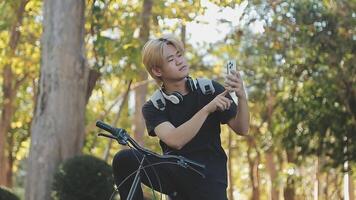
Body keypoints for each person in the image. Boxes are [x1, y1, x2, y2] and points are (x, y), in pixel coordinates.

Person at [112, 34, 250, 200]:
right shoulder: (154, 106)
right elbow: (175, 140)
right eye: (171, 59)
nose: (179, 61)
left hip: (210, 179)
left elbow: (242, 128)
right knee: (124, 159)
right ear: (157, 70)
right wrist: (207, 109)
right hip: (176, 175)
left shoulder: (210, 89)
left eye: (179, 55)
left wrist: (241, 96)